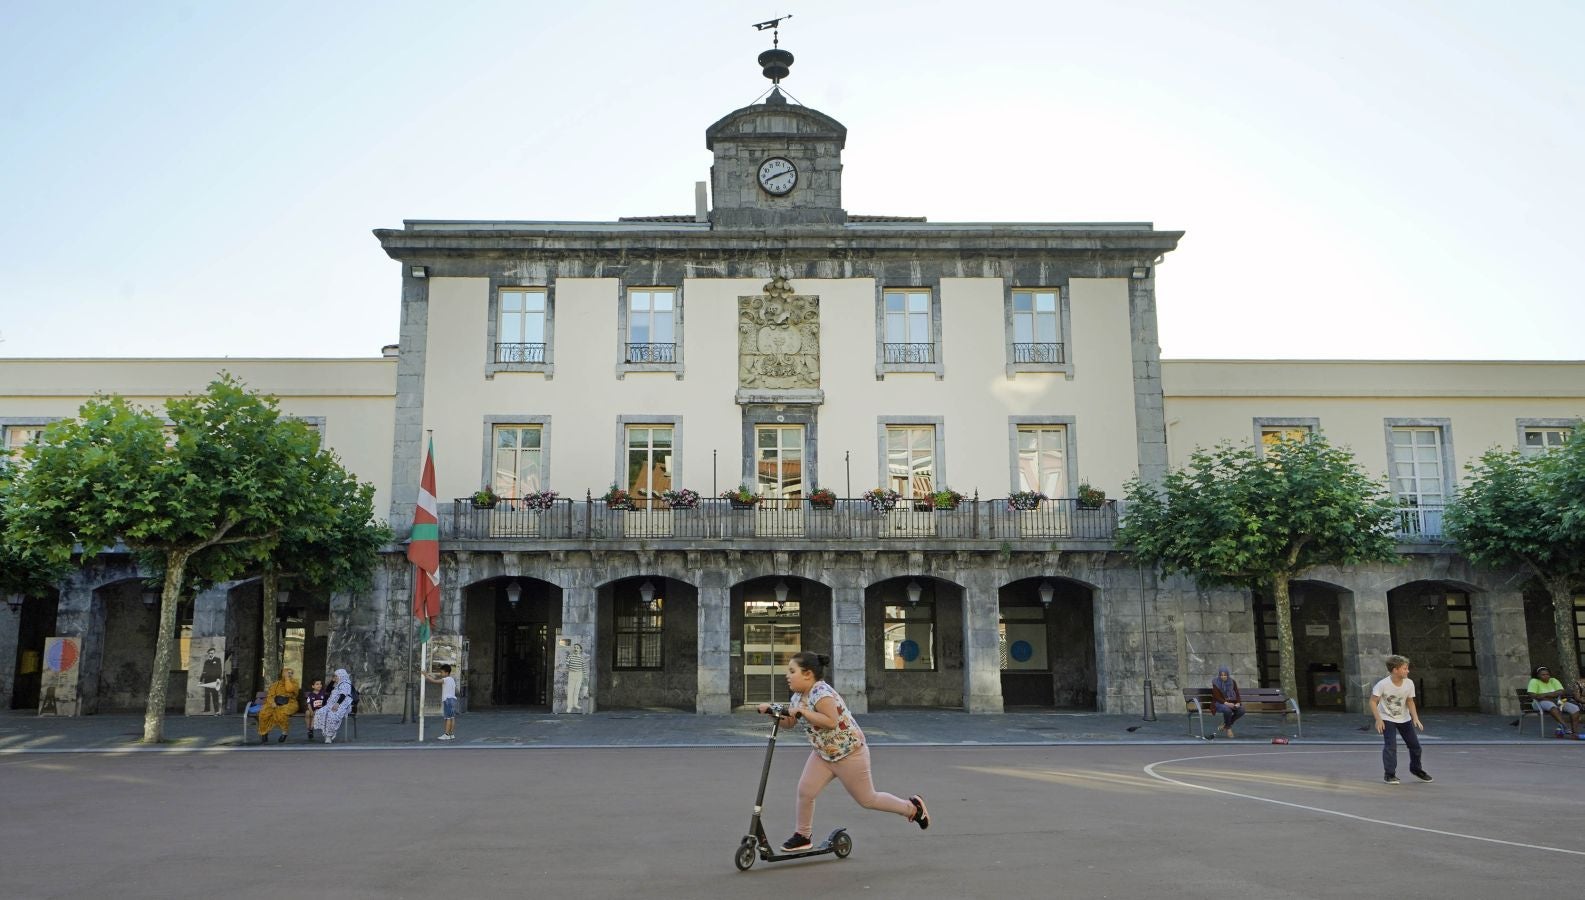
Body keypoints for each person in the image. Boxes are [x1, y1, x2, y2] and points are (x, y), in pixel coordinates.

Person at [756, 651, 930, 851]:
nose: (787, 675)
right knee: (805, 791)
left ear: (808, 674)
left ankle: (912, 809)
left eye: (792, 671)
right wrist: (772, 712)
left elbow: (831, 721)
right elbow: (789, 723)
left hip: (850, 754)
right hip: (824, 755)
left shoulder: (821, 692)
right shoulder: (798, 697)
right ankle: (803, 836)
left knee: (868, 799)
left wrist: (804, 712)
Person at [1370, 654, 1431, 785]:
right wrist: (1378, 719)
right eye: (1405, 668)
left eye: (1407, 668)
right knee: (1390, 746)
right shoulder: (1382, 684)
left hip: (1404, 718)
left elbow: (1410, 701)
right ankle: (1389, 775)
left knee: (1416, 747)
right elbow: (1373, 701)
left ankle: (1416, 769)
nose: (1407, 671)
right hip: (1387, 718)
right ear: (1395, 670)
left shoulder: (1409, 683)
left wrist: (1415, 718)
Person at [1527, 665, 1580, 734]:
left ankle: (1575, 732)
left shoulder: (1553, 680)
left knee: (1575, 708)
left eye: (1547, 674)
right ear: (1538, 675)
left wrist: (1545, 694)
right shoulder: (1534, 681)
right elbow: (1533, 695)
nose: (1546, 676)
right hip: (1539, 703)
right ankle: (1565, 727)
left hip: (1557, 701)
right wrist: (1553, 695)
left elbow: (1561, 692)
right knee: (1551, 705)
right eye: (1543, 675)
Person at [256, 667, 299, 744]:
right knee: (264, 713)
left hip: (290, 703)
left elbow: (289, 689)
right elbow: (270, 695)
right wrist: (272, 702)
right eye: (288, 673)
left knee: (281, 712)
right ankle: (264, 732)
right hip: (275, 702)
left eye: (291, 673)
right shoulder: (276, 684)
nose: (289, 674)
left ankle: (284, 732)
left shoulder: (294, 683)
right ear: (282, 674)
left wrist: (287, 679)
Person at [422, 663, 459, 741]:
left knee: (447, 718)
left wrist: (426, 675)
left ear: (446, 673)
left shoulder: (445, 679)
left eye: (442, 672)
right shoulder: (452, 679)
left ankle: (446, 734)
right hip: (453, 700)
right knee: (452, 718)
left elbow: (434, 681)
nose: (441, 674)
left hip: (447, 700)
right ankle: (451, 734)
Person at [318, 669, 355, 744]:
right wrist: (332, 681)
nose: (334, 677)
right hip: (333, 704)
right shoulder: (337, 684)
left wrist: (337, 704)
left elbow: (343, 695)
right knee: (323, 712)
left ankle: (329, 735)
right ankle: (327, 734)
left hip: (343, 705)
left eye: (336, 676)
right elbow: (328, 690)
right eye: (334, 676)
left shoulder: (345, 684)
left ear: (341, 676)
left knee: (332, 714)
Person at [1210, 666, 1244, 738]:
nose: (1223, 677)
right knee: (1227, 710)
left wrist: (1238, 703)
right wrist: (1227, 703)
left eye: (1225, 675)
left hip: (1231, 702)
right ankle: (1228, 728)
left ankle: (1225, 724)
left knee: (1241, 710)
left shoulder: (1232, 682)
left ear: (1227, 675)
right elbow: (1217, 697)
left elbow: (1237, 693)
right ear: (1219, 675)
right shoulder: (1215, 682)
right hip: (1219, 703)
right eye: (1221, 675)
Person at [199, 647, 224, 714]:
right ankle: (207, 709)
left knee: (215, 695)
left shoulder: (217, 660)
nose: (211, 654)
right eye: (210, 653)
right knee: (207, 695)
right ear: (208, 654)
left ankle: (216, 710)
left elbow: (220, 669)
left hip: (215, 680)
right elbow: (204, 671)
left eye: (212, 653)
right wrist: (200, 680)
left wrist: (219, 678)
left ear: (214, 653)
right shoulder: (206, 662)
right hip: (207, 680)